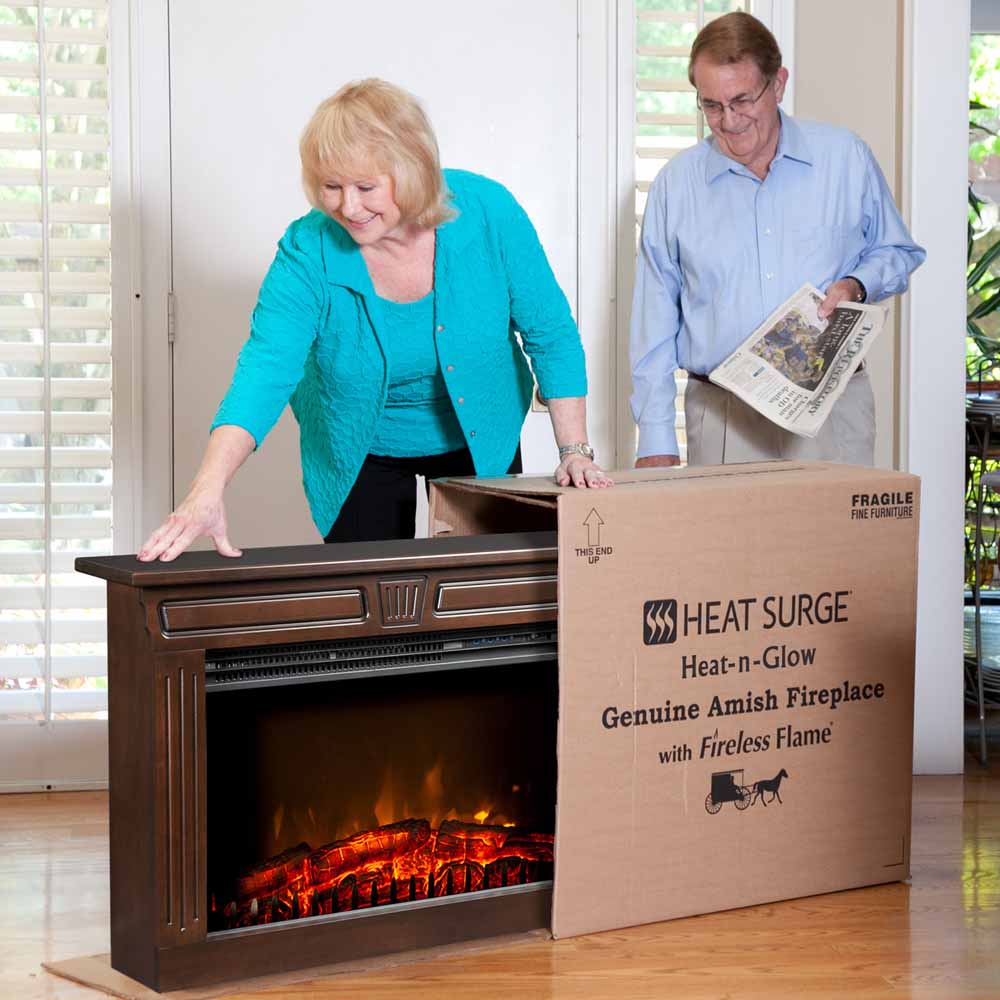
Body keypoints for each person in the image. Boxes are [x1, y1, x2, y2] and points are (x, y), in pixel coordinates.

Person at [139, 78, 610, 562]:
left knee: (481, 601)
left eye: (366, 187)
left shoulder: (488, 213)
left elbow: (549, 332)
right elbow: (264, 370)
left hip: (480, 430)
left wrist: (574, 449)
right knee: (377, 606)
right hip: (361, 443)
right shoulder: (307, 250)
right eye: (331, 187)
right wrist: (206, 489)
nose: (348, 207)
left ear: (412, 173)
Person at [629, 12, 926, 469]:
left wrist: (856, 284)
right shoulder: (674, 186)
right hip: (723, 417)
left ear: (779, 83)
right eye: (711, 105)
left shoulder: (844, 157)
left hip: (832, 413)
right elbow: (653, 322)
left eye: (742, 100)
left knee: (840, 545)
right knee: (722, 545)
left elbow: (898, 252)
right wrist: (654, 439)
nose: (728, 121)